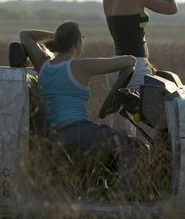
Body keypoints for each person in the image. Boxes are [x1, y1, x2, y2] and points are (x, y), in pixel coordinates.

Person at [19, 22, 144, 193]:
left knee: (106, 154)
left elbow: (25, 35)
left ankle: (98, 193)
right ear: (77, 43)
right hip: (78, 131)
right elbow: (130, 60)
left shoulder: (43, 65)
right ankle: (125, 198)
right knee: (136, 148)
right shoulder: (81, 66)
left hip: (55, 137)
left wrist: (56, 36)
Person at [102, 0, 178, 87]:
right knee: (145, 109)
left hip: (114, 65)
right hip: (135, 67)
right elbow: (171, 8)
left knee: (121, 110)